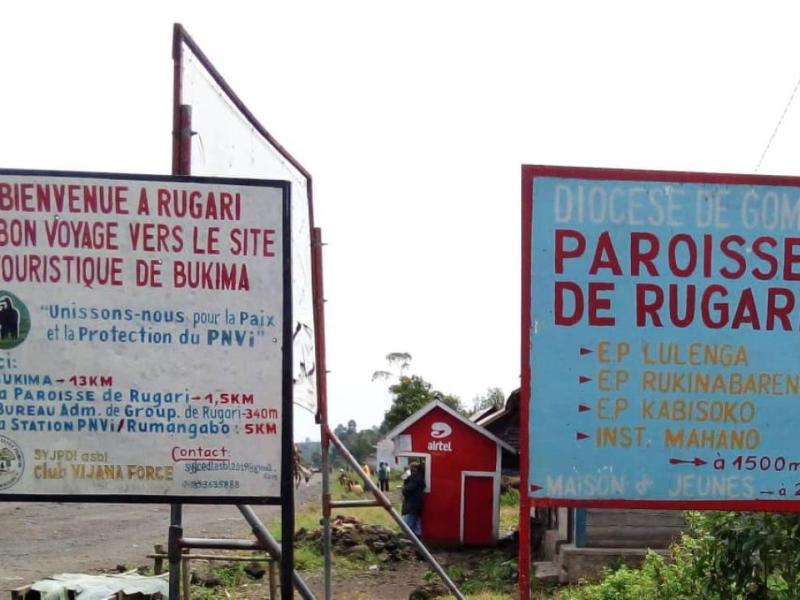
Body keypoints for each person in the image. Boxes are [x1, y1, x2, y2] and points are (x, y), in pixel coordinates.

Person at [401, 463, 425, 537]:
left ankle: (410, 541)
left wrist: (405, 482)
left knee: (408, 529)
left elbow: (406, 490)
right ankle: (417, 542)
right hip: (417, 506)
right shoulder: (421, 478)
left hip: (411, 506)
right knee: (417, 528)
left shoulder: (415, 479)